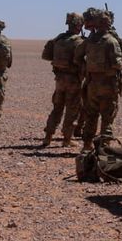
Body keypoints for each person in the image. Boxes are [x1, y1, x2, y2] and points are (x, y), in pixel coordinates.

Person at [79, 7, 122, 145]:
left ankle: (87, 145)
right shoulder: (111, 41)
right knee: (107, 116)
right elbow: (117, 63)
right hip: (108, 84)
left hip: (91, 83)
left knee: (91, 115)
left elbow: (78, 56)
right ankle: (104, 148)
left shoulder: (90, 40)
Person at [41, 12, 86, 148]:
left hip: (59, 80)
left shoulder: (58, 39)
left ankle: (47, 137)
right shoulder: (79, 42)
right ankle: (67, 139)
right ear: (79, 25)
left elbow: (46, 55)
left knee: (57, 108)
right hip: (73, 80)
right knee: (72, 110)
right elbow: (83, 62)